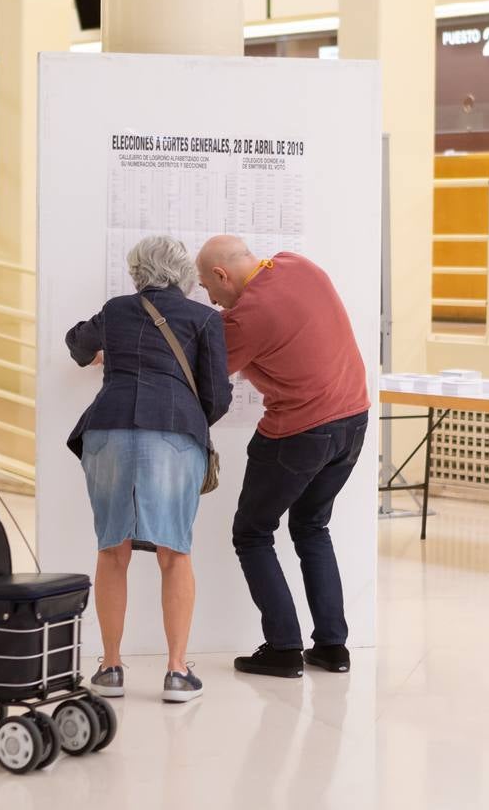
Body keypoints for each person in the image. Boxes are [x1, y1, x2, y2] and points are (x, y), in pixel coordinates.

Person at [66, 235, 232, 702]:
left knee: (111, 549)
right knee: (173, 552)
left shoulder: (117, 310)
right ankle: (177, 672)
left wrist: (101, 353)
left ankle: (110, 667)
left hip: (108, 429)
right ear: (183, 275)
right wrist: (181, 412)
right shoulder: (203, 318)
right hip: (173, 436)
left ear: (137, 271)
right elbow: (217, 396)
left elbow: (78, 344)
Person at [196, 235, 370, 678]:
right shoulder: (297, 264)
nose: (211, 299)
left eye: (207, 288)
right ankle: (332, 647)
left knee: (252, 533)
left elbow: (208, 375)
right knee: (312, 526)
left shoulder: (245, 320)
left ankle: (283, 648)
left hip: (299, 434)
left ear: (222, 275)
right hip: (354, 421)